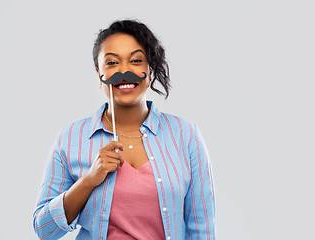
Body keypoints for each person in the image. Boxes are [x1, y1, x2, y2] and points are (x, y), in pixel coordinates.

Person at [33, 19, 216, 240]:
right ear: (97, 72)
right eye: (112, 63)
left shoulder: (186, 136)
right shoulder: (71, 139)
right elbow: (43, 229)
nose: (124, 71)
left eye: (136, 60)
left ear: (150, 68)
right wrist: (89, 180)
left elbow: (202, 230)